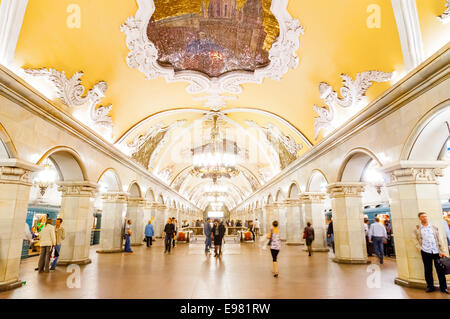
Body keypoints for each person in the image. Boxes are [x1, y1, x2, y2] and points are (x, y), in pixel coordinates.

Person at [413, 212, 448, 294]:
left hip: (436, 252)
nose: (424, 218)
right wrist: (420, 248)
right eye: (422, 217)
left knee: (440, 270)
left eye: (425, 216)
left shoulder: (433, 227)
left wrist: (442, 251)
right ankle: (430, 287)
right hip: (425, 251)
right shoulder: (417, 229)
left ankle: (443, 288)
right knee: (428, 270)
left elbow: (439, 239)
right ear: (419, 218)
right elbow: (415, 240)